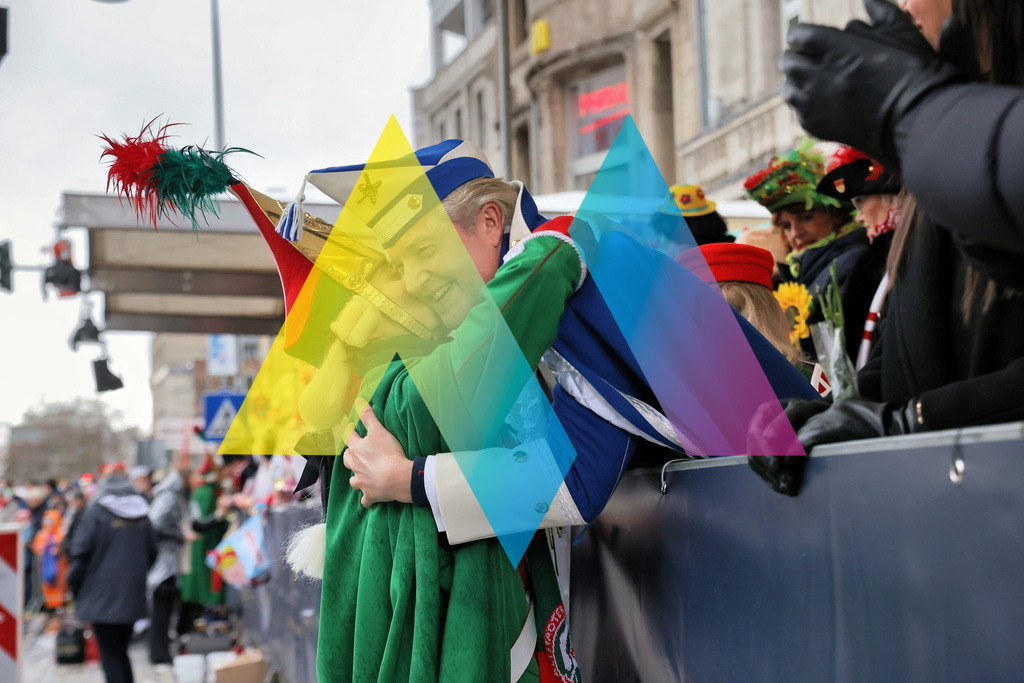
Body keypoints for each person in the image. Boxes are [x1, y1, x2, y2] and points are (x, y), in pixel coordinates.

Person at [749, 0, 1024, 495]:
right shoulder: (935, 178)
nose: (904, 8)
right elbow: (913, 347)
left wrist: (909, 419)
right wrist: (839, 411)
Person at [745, 141, 881, 362]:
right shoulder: (796, 270)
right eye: (786, 226)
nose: (795, 233)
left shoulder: (854, 260)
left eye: (805, 218)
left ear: (835, 214)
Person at [815, 145, 903, 368]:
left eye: (861, 202)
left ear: (893, 196)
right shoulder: (882, 263)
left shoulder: (910, 258)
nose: (859, 218)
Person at [68, 466, 156, 683]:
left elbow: (80, 553)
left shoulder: (96, 511)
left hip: (99, 593)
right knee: (122, 651)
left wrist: (76, 588)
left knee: (109, 654)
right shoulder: (141, 511)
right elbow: (153, 551)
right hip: (131, 592)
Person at [146, 468, 188, 665]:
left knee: (162, 613)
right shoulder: (169, 497)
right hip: (163, 567)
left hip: (166, 565)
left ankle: (160, 652)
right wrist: (179, 536)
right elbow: (154, 523)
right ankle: (159, 653)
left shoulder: (168, 495)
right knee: (160, 613)